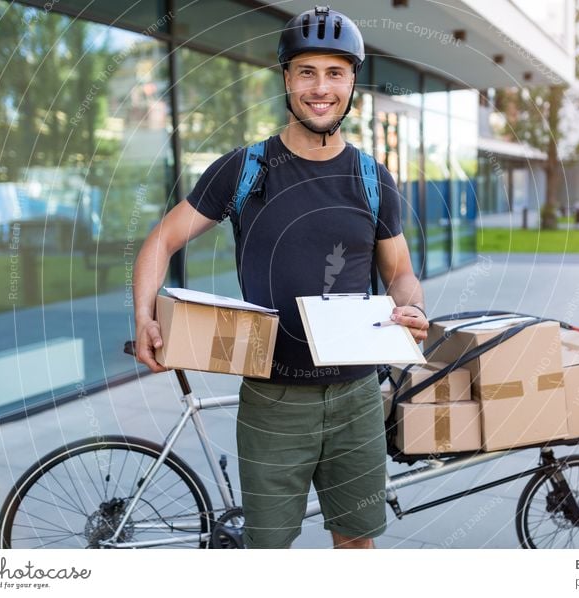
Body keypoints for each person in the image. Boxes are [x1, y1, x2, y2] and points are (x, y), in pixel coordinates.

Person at [133, 6, 428, 549]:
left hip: (358, 396)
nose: (321, 87)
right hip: (273, 400)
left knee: (357, 543)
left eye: (335, 72)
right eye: (307, 71)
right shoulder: (245, 168)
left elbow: (401, 273)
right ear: (287, 79)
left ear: (351, 82)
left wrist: (411, 308)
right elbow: (160, 242)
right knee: (268, 552)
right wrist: (146, 317)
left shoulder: (371, 178)